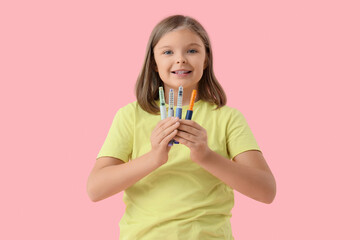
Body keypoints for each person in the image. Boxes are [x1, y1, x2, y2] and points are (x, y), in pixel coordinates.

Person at [87, 15, 276, 240]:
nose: (180, 60)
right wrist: (154, 157)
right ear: (154, 63)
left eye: (192, 51)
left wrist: (205, 156)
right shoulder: (131, 115)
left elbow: (266, 190)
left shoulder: (227, 118)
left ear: (206, 60)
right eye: (168, 52)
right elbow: (95, 189)